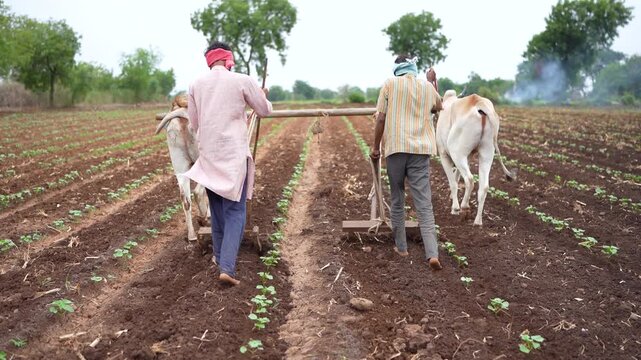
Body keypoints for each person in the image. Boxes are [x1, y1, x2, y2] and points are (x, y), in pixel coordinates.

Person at [184, 41, 272, 285]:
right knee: (235, 211)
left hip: (209, 155)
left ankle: (220, 259)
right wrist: (263, 96)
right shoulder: (241, 80)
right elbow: (264, 110)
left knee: (219, 212)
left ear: (210, 60)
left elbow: (194, 123)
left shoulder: (195, 84)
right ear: (228, 59)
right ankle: (228, 269)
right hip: (233, 156)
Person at [370, 54, 443, 271]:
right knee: (424, 202)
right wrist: (432, 81)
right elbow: (438, 106)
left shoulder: (390, 85)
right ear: (413, 69)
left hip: (396, 149)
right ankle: (432, 253)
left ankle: (401, 248)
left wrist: (375, 147)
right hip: (420, 151)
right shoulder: (427, 88)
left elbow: (381, 118)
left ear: (397, 69)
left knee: (397, 198)